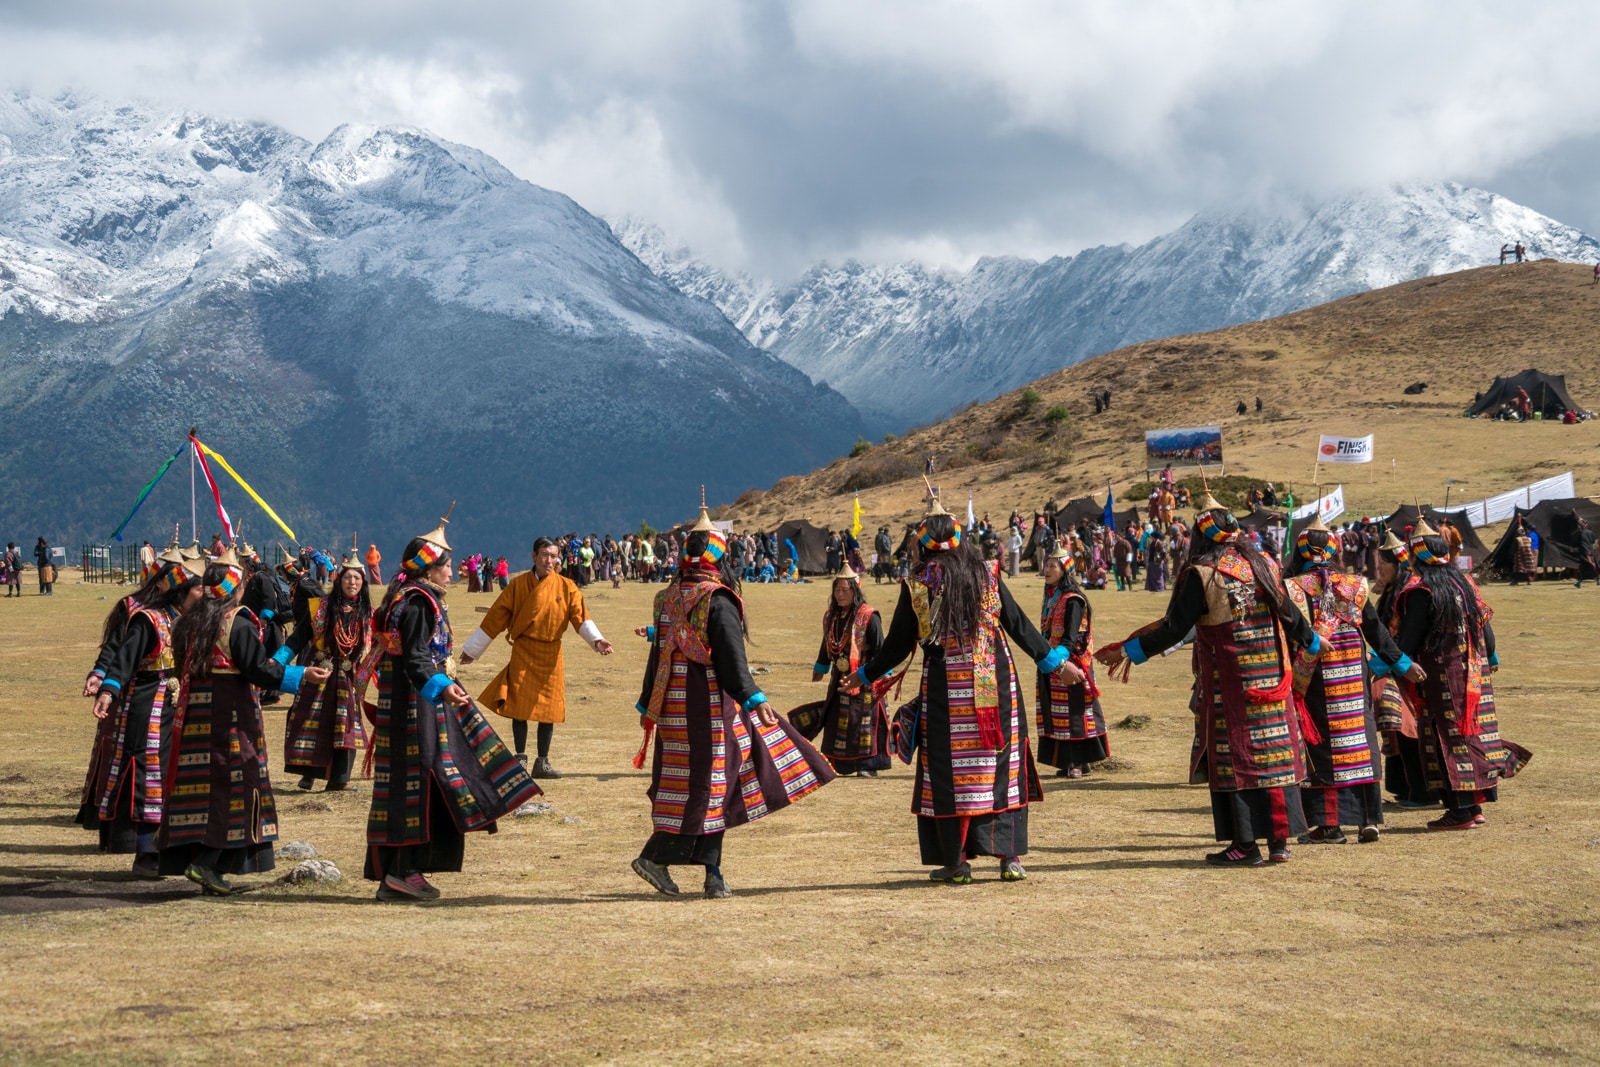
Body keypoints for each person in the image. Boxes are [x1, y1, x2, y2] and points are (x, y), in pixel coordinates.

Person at [844, 494, 1074, 884]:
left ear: (924, 542)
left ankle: (956, 862)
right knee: (1000, 763)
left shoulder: (918, 582)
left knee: (951, 771)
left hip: (945, 687)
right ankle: (1009, 858)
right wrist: (1054, 662)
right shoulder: (987, 571)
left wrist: (865, 675)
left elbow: (900, 644)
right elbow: (1017, 624)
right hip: (993, 680)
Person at [1095, 487, 1321, 867]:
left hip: (1229, 685)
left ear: (1199, 538)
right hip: (1272, 680)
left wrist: (1128, 652)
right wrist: (1313, 640)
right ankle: (1280, 842)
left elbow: (1173, 629)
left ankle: (1245, 845)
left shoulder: (1201, 574)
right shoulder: (1263, 563)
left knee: (1238, 759)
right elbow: (1289, 613)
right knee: (1274, 756)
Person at [631, 505, 834, 899]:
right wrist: (755, 697)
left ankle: (713, 873)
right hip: (708, 706)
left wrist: (648, 705)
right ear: (720, 559)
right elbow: (729, 658)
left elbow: (659, 652)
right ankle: (656, 857)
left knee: (695, 784)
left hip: (672, 707)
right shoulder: (718, 599)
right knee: (712, 785)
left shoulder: (666, 596)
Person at [365, 515, 541, 902]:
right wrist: (443, 688)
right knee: (426, 777)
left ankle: (401, 872)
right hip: (418, 704)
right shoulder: (417, 604)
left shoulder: (403, 597)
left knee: (414, 780)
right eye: (447, 565)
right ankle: (402, 871)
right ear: (429, 568)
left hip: (412, 699)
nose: (453, 571)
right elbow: (415, 658)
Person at [161, 548, 327, 894]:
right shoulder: (237, 621)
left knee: (201, 786)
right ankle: (207, 863)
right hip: (231, 714)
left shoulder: (186, 623)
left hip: (194, 715)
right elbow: (257, 669)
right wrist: (301, 675)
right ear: (236, 588)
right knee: (235, 784)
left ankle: (204, 863)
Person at [1387, 518, 1530, 830]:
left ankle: (1460, 812)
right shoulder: (1466, 585)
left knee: (1446, 741)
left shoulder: (1421, 592)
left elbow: (1408, 641)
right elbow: (1487, 633)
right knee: (1475, 736)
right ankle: (1476, 807)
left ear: (1416, 557)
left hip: (1441, 677)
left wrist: (1389, 663)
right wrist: (1489, 656)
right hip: (1475, 676)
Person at [1283, 515, 1409, 844]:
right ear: (1337, 550)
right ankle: (1369, 820)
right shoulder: (1354, 585)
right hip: (1354, 673)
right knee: (1359, 740)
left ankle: (1328, 826)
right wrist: (1403, 663)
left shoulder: (1293, 588)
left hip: (1314, 676)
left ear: (1301, 553)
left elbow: (1288, 635)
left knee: (1323, 745)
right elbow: (1375, 632)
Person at [78, 551, 205, 876]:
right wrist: (108, 689)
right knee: (149, 775)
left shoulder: (192, 622)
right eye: (197, 588)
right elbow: (124, 657)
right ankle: (146, 853)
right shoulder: (147, 619)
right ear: (181, 589)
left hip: (179, 707)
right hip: (147, 705)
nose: (202, 593)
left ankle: (177, 851)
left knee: (178, 776)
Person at [459, 536, 614, 779]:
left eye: (553, 556)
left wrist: (597, 639)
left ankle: (543, 762)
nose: (549, 560)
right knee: (519, 707)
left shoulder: (567, 586)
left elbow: (580, 617)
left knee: (548, 709)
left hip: (551, 652)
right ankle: (519, 758)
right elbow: (496, 618)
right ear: (534, 556)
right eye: (544, 555)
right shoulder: (518, 585)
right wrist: (472, 650)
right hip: (523, 650)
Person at [277, 550, 374, 792]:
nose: (352, 583)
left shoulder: (367, 615)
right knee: (310, 719)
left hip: (347, 676)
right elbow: (298, 639)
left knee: (345, 724)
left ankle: (339, 779)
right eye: (347, 578)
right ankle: (308, 774)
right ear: (339, 580)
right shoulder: (321, 608)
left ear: (363, 584)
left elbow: (375, 649)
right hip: (319, 670)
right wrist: (275, 664)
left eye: (357, 579)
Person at [797, 565, 890, 777]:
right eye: (836, 590)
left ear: (855, 590)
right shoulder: (831, 616)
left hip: (865, 678)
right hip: (839, 678)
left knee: (862, 722)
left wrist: (881, 676)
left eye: (845, 590)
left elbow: (881, 649)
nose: (840, 594)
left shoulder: (869, 616)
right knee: (837, 719)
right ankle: (841, 765)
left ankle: (867, 766)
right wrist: (821, 666)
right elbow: (827, 642)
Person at [1035, 546, 1107, 779]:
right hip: (1054, 662)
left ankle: (1078, 761)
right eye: (1046, 565)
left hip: (1071, 662)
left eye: (1052, 565)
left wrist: (1062, 662)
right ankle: (1068, 761)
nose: (1047, 569)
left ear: (1065, 569)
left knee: (1075, 714)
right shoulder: (1052, 597)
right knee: (1058, 714)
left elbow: (1074, 636)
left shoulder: (1073, 600)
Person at [1510, 519, 1538, 586]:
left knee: (1518, 569)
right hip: (1528, 556)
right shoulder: (1529, 538)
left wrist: (1511, 554)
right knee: (1528, 569)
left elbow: (1514, 548)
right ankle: (1528, 581)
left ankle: (1515, 581)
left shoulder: (1518, 539)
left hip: (1520, 557)